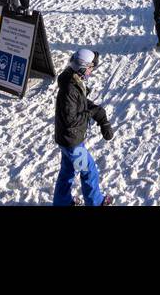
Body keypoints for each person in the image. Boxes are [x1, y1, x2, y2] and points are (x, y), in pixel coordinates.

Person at [53, 48, 113, 207]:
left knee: (67, 172)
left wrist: (99, 114)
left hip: (66, 140)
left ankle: (62, 202)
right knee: (89, 171)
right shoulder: (70, 90)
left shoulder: (72, 81)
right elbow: (71, 118)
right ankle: (96, 202)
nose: (91, 71)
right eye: (90, 68)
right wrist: (90, 113)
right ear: (82, 68)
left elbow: (81, 104)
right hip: (73, 142)